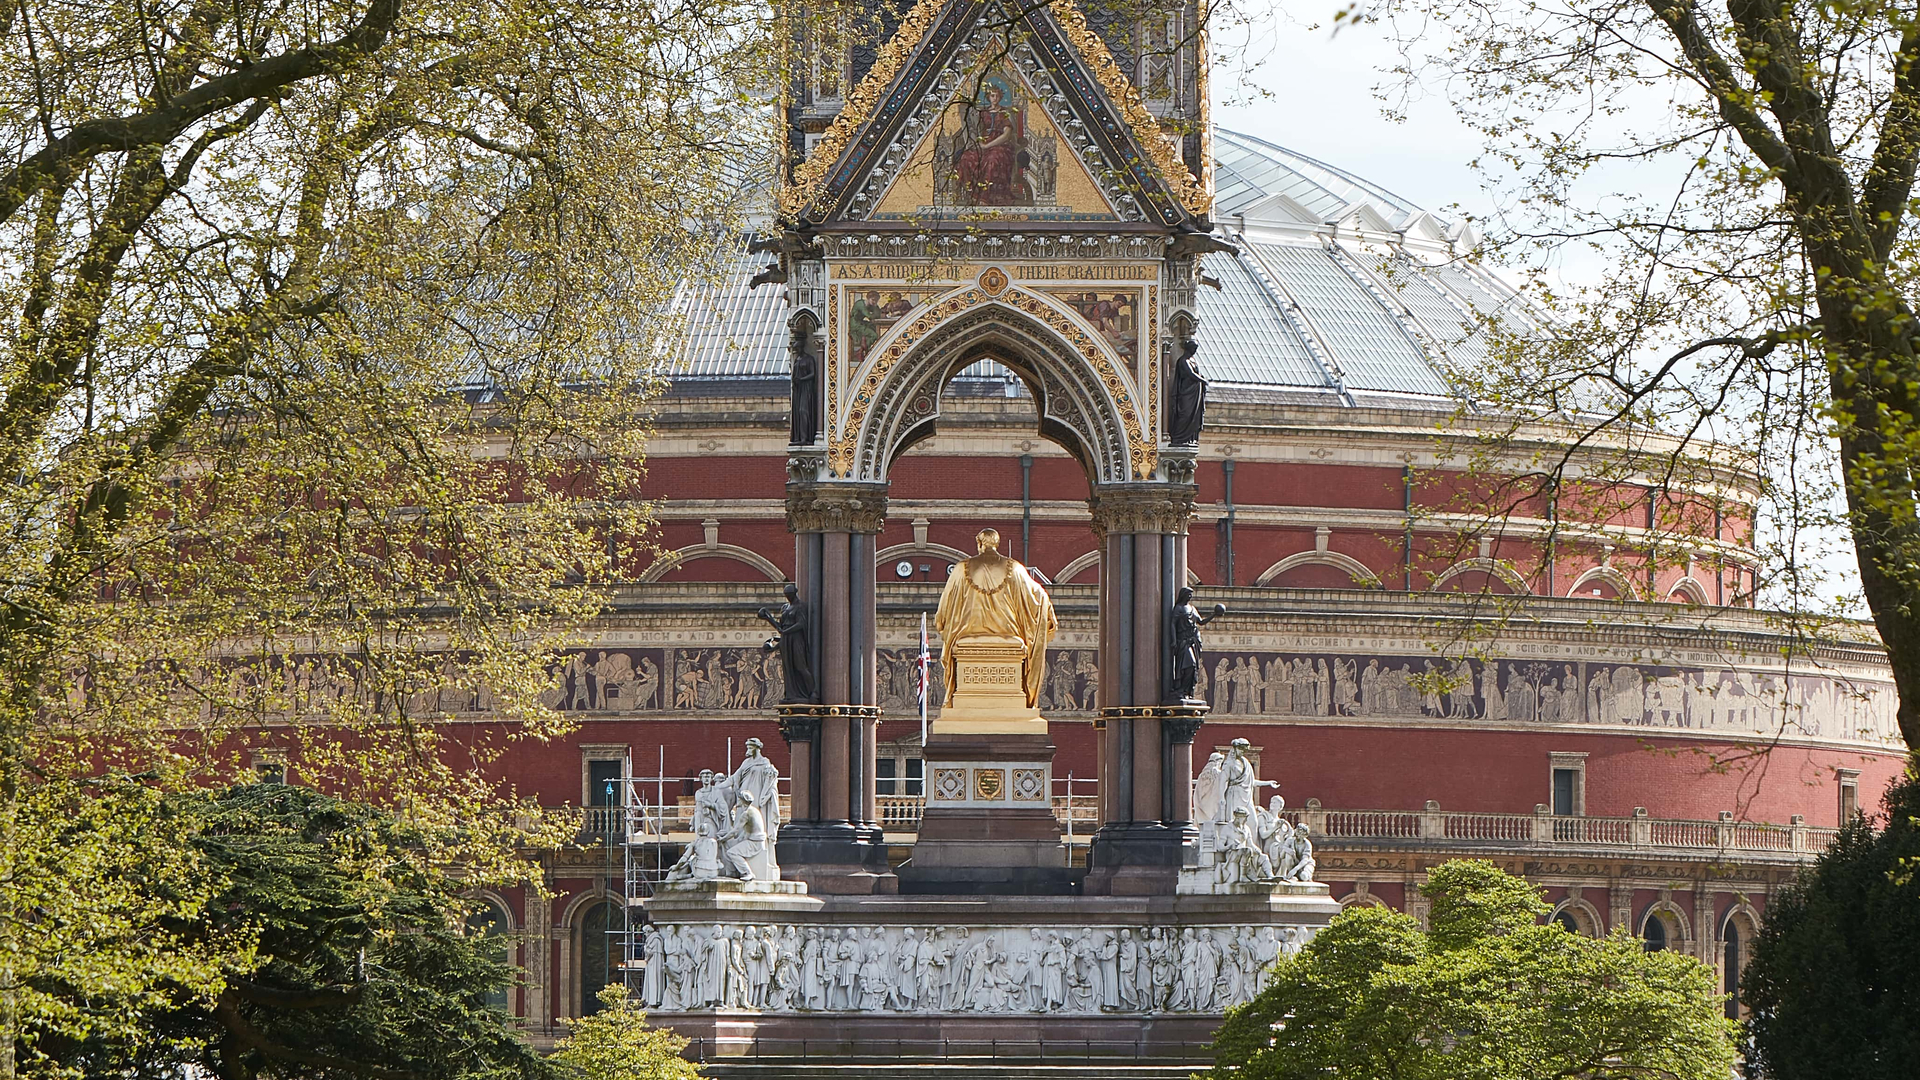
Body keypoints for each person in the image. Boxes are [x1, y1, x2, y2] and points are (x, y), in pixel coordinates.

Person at [933, 528, 1057, 710]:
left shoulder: (962, 568)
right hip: (1010, 640)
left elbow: (944, 608)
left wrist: (941, 623)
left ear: (979, 543)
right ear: (997, 544)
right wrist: (1048, 611)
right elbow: (1037, 596)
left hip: (966, 641)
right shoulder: (1014, 568)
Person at [1168, 586, 1225, 703]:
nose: (1190, 596)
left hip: (1192, 641)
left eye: (1191, 594)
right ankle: (1180, 690)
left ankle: (1187, 691)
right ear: (1183, 595)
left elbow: (1201, 621)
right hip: (1182, 641)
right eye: (1188, 594)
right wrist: (1173, 640)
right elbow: (1173, 624)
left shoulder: (1192, 609)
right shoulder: (1178, 608)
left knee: (1193, 667)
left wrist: (1214, 615)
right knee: (1188, 665)